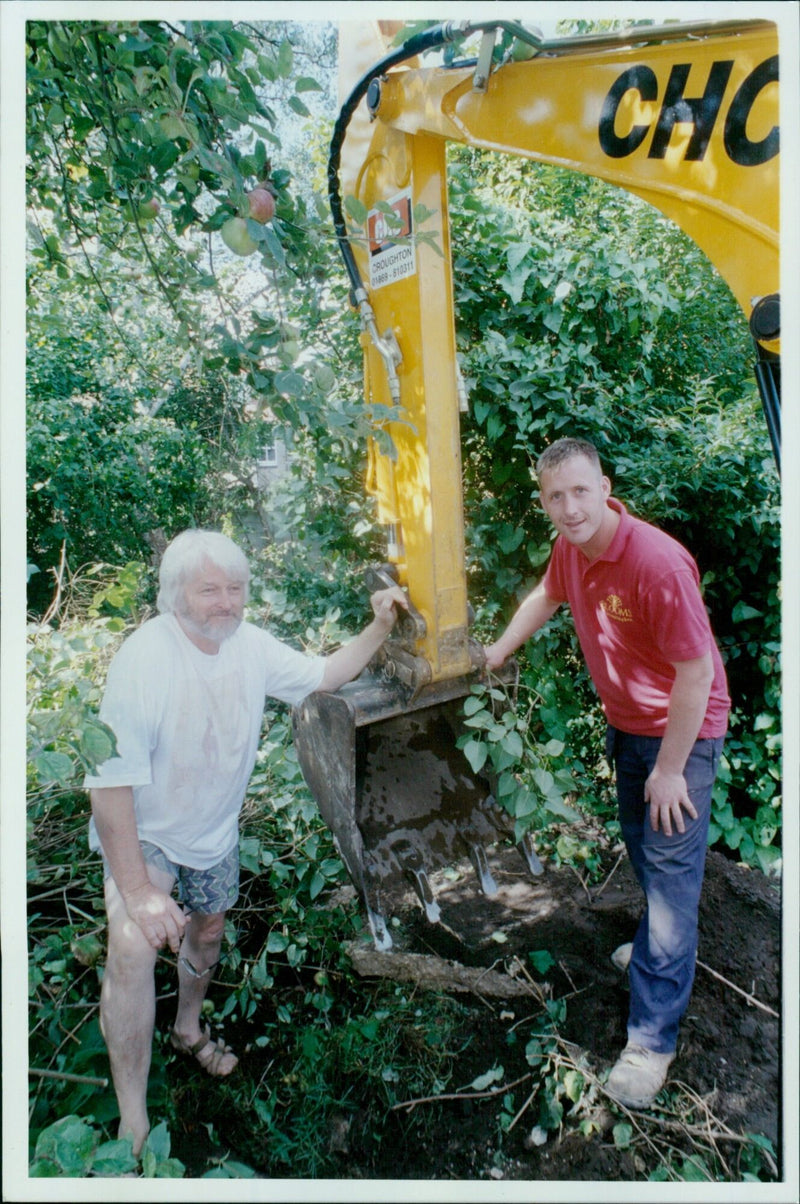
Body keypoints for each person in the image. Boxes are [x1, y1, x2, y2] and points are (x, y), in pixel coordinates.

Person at [85, 528, 408, 1156]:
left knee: (207, 933)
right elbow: (109, 787)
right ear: (174, 594)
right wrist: (137, 892)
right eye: (210, 590)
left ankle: (186, 1029)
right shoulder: (144, 660)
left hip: (212, 833)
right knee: (130, 944)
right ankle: (132, 1124)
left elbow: (324, 675)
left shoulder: (249, 646)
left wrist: (378, 628)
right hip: (145, 836)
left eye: (235, 589)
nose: (226, 602)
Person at [484, 437, 730, 1109]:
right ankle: (658, 957)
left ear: (604, 486)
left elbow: (697, 673)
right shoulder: (573, 549)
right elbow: (546, 594)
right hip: (629, 726)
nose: (570, 508)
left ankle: (651, 1042)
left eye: (580, 491)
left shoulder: (655, 562)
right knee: (643, 852)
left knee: (672, 879)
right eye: (556, 496)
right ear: (545, 501)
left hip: (682, 735)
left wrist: (673, 770)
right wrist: (497, 650)